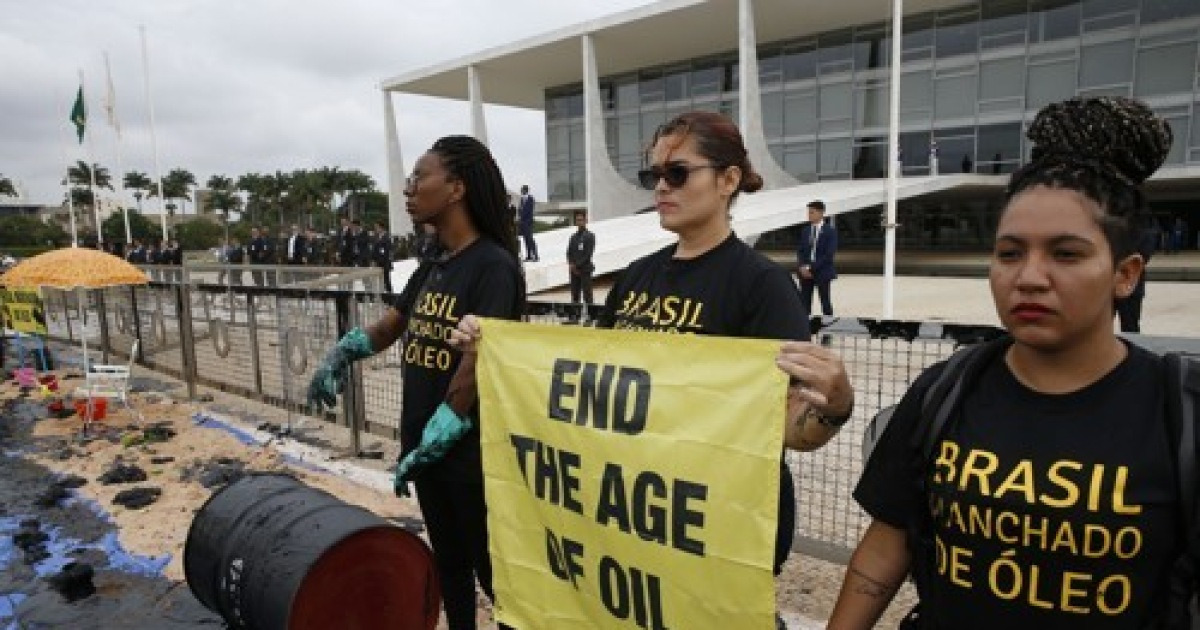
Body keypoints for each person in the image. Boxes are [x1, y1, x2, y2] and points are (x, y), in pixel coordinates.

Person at [451, 111, 855, 618]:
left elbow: (789, 427)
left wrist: (835, 406)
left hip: (716, 525)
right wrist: (496, 350)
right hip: (634, 520)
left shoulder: (761, 286)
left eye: (678, 173)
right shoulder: (636, 277)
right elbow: (593, 391)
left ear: (728, 180)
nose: (661, 186)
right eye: (654, 175)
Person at [828, 97, 1182, 629]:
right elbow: (888, 542)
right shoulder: (946, 391)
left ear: (1126, 274)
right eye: (1010, 253)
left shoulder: (1177, 412)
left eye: (1066, 254)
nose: (1030, 277)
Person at [307, 135, 523, 630]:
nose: (408, 188)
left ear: (456, 188)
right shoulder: (434, 261)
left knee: (495, 575)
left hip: (468, 455)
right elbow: (391, 326)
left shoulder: (494, 266)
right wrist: (342, 353)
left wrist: (446, 424)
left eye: (418, 177)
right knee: (449, 564)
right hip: (424, 447)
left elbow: (476, 358)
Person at [1116, 215, 1159, 333]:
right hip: (1112, 285)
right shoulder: (1115, 229)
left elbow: (1144, 256)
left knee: (1130, 325)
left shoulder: (1145, 232)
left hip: (1132, 287)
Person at [797, 200, 838, 318]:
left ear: (821, 213)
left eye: (812, 212)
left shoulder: (830, 231)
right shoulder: (805, 231)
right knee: (804, 303)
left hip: (822, 272)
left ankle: (828, 327)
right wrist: (802, 267)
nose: (809, 215)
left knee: (825, 303)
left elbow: (829, 254)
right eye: (808, 212)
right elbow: (800, 250)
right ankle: (805, 327)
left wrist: (810, 267)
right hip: (805, 273)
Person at [565, 210, 595, 318]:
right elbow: (569, 252)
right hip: (574, 271)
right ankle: (575, 317)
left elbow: (588, 254)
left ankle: (590, 317)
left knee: (587, 295)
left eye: (581, 220)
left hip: (585, 270)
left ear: (585, 220)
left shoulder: (590, 236)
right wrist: (571, 264)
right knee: (575, 295)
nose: (579, 222)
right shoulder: (573, 237)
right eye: (577, 220)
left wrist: (577, 265)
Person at [371, 220, 395, 293]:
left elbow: (388, 250)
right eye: (375, 227)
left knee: (386, 280)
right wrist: (373, 259)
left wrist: (387, 259)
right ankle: (382, 294)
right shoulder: (376, 236)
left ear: (381, 227)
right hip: (378, 261)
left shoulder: (387, 237)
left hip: (385, 261)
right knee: (380, 280)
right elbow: (374, 249)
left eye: (377, 227)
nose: (375, 229)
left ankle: (390, 294)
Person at [517, 184, 539, 261]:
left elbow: (528, 211)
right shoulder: (522, 199)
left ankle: (535, 255)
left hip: (528, 222)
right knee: (525, 239)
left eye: (522, 190)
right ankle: (529, 255)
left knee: (530, 239)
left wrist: (522, 215)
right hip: (522, 223)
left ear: (526, 190)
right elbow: (520, 210)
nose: (521, 191)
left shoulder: (530, 199)